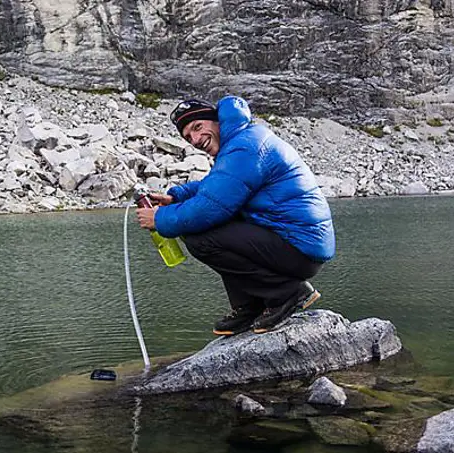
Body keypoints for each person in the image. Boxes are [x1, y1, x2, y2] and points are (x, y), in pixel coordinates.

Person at [136, 96, 335, 336]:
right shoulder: (242, 140)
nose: (196, 139)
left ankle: (287, 293)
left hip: (299, 248)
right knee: (213, 229)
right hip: (295, 243)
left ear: (217, 121)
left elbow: (207, 209)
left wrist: (158, 219)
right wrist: (176, 197)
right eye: (188, 136)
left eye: (198, 127)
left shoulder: (246, 146)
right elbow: (217, 185)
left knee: (200, 237)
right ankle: (249, 306)